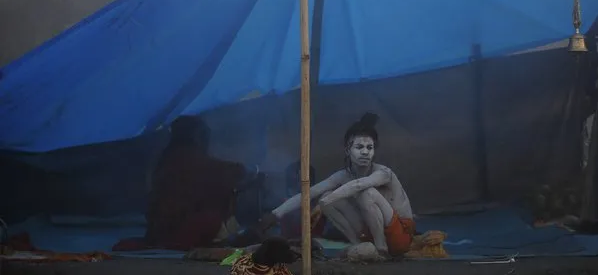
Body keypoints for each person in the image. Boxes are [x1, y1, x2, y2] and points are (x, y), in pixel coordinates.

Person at [259, 113, 415, 257]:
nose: (365, 152)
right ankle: (359, 245)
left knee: (365, 193)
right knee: (327, 196)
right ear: (348, 150)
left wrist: (322, 204)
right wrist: (276, 214)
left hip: (400, 235)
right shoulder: (343, 175)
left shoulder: (383, 173)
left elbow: (358, 185)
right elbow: (310, 193)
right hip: (369, 232)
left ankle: (381, 250)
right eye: (359, 147)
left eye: (370, 147)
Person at [144, 115, 246, 250]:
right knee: (212, 218)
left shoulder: (169, 157)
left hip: (166, 227)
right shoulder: (182, 157)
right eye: (204, 135)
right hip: (175, 228)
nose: (207, 141)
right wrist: (241, 170)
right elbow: (215, 171)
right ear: (195, 135)